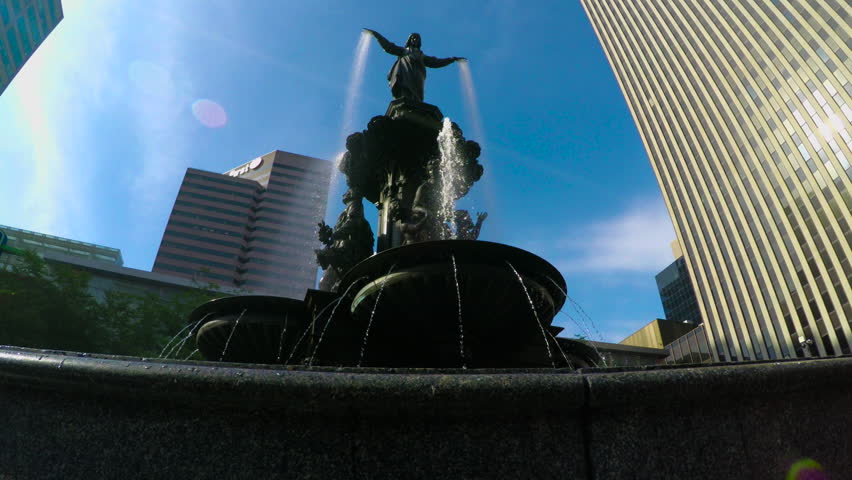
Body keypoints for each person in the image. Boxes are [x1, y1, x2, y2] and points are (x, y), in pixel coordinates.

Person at [363, 29, 465, 102]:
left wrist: (451, 59)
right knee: (404, 90)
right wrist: (377, 35)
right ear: (409, 40)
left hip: (418, 75)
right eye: (413, 38)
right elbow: (388, 46)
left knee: (417, 96)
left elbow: (436, 62)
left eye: (417, 38)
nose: (415, 39)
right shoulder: (404, 51)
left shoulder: (422, 55)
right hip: (405, 73)